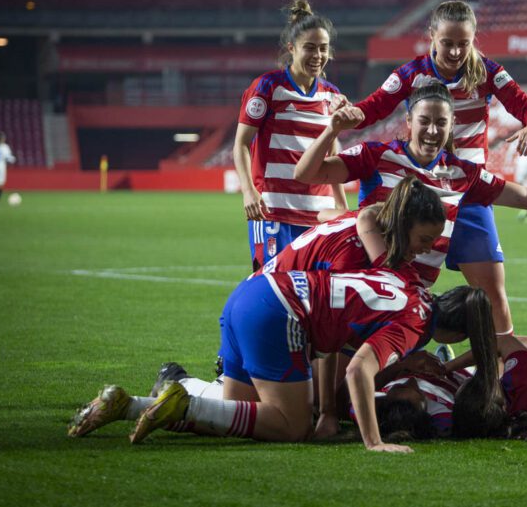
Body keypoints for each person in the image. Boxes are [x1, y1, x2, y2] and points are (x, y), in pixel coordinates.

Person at [69, 177, 497, 454]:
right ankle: (184, 405)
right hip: (280, 313)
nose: (427, 249)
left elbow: (340, 330)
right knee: (293, 424)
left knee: (241, 413)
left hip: (252, 298)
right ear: (403, 226)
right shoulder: (366, 263)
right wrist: (335, 419)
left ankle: (153, 396)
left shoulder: (375, 245)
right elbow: (341, 352)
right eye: (424, 239)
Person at [348, 0, 527, 334]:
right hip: (418, 193)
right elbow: (371, 110)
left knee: (490, 293)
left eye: (463, 43)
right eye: (448, 43)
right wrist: (343, 114)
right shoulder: (411, 73)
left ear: (473, 39)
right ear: (432, 36)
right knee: (397, 284)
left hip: (468, 191)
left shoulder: (487, 71)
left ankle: (501, 368)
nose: (456, 52)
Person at [293, 82, 527, 294]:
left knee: (462, 315)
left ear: (452, 125)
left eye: (441, 123)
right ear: (408, 121)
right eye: (424, 121)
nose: (432, 130)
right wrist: (332, 130)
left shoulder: (464, 174)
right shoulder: (376, 155)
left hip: (412, 296)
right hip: (362, 285)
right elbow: (306, 173)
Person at [232, 0, 348, 271]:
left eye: (323, 48)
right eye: (309, 47)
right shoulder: (267, 87)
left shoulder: (331, 95)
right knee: (273, 289)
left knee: (312, 296)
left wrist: (341, 203)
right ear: (291, 48)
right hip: (273, 209)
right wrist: (249, 192)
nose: (317, 56)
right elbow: (241, 143)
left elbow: (331, 151)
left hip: (318, 212)